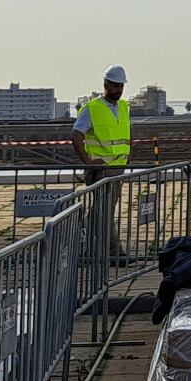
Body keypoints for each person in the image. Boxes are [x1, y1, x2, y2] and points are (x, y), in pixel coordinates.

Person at [72, 63, 132, 256]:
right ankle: (114, 252)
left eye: (121, 86)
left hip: (118, 167)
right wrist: (88, 162)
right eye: (115, 86)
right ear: (106, 84)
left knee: (101, 211)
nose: (119, 90)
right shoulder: (92, 108)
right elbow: (76, 135)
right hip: (101, 169)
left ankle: (86, 248)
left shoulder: (123, 107)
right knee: (103, 212)